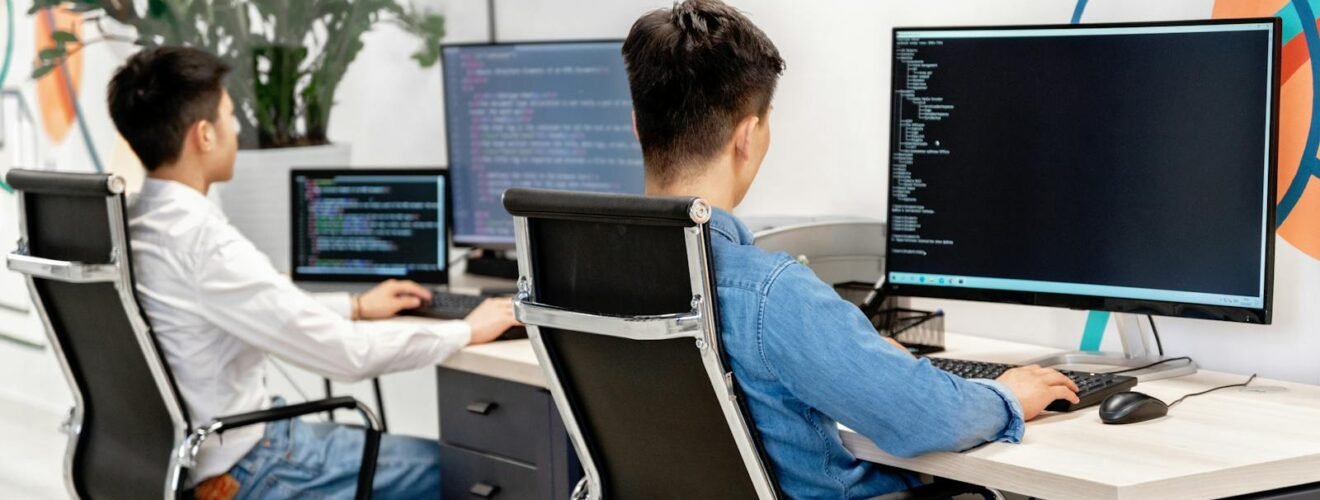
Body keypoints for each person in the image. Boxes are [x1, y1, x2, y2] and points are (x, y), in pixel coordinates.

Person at [621, 1, 1081, 497]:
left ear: (637, 125)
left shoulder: (587, 270)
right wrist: (1007, 394)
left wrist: (866, 358)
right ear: (748, 137)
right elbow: (923, 418)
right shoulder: (769, 294)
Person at [108, 46, 519, 499]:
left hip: (189, 464)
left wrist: (355, 305)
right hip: (255, 468)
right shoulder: (204, 244)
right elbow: (347, 355)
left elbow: (248, 307)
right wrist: (466, 329)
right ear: (204, 135)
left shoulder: (136, 226)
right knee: (475, 474)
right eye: (230, 116)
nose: (238, 130)